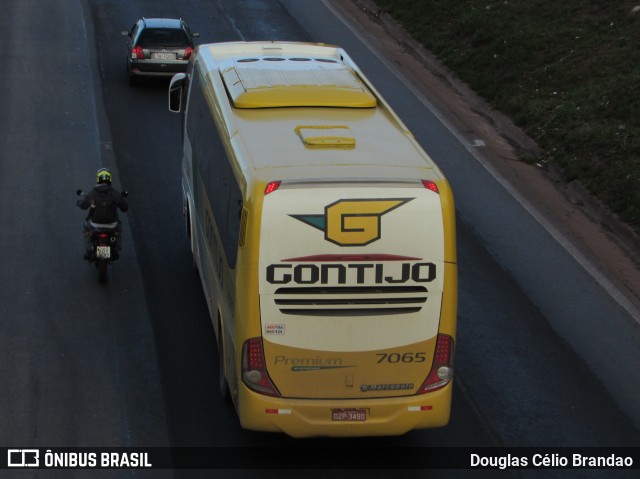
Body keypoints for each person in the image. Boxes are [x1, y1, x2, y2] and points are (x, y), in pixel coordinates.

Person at [77, 168, 128, 259]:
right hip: (112, 225)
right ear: (110, 179)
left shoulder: (93, 193)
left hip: (95, 224)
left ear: (98, 179)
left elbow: (84, 206)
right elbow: (125, 208)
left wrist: (79, 202)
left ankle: (89, 250)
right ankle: (116, 249)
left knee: (86, 228)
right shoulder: (114, 193)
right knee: (118, 230)